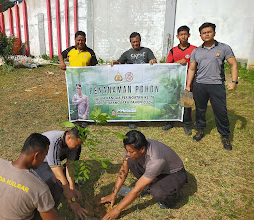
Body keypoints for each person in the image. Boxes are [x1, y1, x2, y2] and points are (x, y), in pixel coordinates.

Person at [100, 130, 187, 219]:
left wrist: (117, 210)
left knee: (158, 192)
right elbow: (123, 171)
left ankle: (174, 196)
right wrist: (113, 194)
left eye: (131, 152)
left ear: (142, 149)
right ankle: (149, 185)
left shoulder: (155, 159)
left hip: (174, 173)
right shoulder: (133, 148)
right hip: (158, 171)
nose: (128, 154)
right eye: (127, 151)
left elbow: (137, 189)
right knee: (130, 161)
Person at [186, 22, 238, 151]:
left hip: (217, 85)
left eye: (209, 32)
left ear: (214, 33)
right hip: (200, 85)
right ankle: (200, 130)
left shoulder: (224, 48)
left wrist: (234, 82)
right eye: (204, 33)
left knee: (221, 111)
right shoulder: (196, 51)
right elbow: (192, 70)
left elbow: (233, 65)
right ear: (200, 35)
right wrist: (188, 86)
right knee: (200, 110)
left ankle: (225, 136)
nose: (206, 34)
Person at [0, 133, 62, 220]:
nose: (44, 159)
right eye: (44, 156)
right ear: (36, 155)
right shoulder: (39, 188)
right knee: (56, 186)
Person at [33, 127, 88, 219]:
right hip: (39, 163)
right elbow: (59, 177)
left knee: (61, 182)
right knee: (55, 181)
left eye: (79, 145)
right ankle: (47, 211)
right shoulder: (53, 143)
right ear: (69, 137)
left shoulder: (73, 144)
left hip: (52, 160)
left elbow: (70, 166)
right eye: (77, 145)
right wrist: (73, 203)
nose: (77, 147)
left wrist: (72, 188)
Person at [110, 32, 157, 129]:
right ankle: (130, 120)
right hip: (132, 82)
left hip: (145, 81)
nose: (135, 44)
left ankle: (144, 116)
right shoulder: (127, 53)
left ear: (140, 40)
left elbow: (154, 60)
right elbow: (119, 62)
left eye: (137, 41)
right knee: (132, 100)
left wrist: (153, 61)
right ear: (130, 42)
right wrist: (115, 62)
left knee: (144, 100)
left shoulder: (147, 51)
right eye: (133, 42)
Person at [162, 25, 196, 135]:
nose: (183, 36)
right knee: (172, 102)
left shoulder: (194, 50)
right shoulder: (173, 50)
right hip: (175, 81)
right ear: (177, 36)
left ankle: (187, 124)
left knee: (186, 103)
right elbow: (167, 65)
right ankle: (170, 122)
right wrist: (177, 63)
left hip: (188, 81)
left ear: (189, 35)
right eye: (181, 34)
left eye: (185, 34)